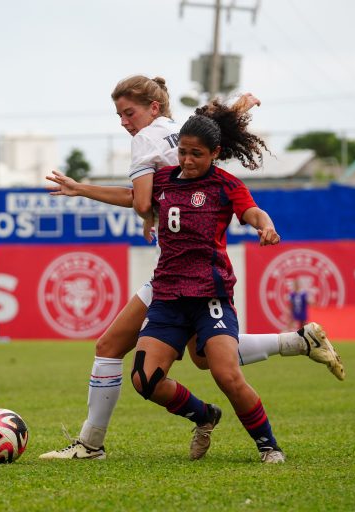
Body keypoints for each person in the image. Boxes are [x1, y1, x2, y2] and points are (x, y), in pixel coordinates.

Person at [39, 75, 344, 461]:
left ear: (153, 108)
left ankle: (91, 444)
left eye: (128, 112)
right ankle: (293, 346)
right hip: (169, 280)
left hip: (200, 280)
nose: (124, 121)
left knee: (172, 357)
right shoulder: (175, 137)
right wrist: (239, 107)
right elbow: (202, 132)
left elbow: (142, 199)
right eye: (119, 114)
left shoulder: (158, 145)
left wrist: (262, 225)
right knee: (190, 360)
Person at [132, 100, 286, 462]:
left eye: (196, 154)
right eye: (182, 152)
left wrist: (266, 226)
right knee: (145, 380)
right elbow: (132, 199)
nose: (187, 160)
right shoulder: (164, 181)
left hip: (209, 297)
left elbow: (252, 211)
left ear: (215, 153)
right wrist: (81, 188)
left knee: (226, 374)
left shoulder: (224, 185)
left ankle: (268, 446)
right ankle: (203, 415)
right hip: (168, 297)